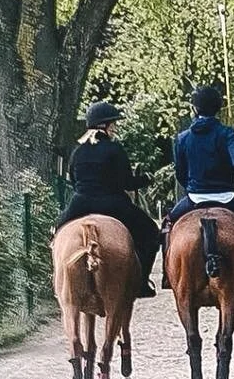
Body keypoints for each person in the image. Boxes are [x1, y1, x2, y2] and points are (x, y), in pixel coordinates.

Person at [53, 101, 161, 298]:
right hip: (112, 203)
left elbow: (73, 179)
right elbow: (126, 183)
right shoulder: (114, 149)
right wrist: (146, 179)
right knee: (151, 232)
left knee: (56, 233)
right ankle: (142, 282)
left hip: (80, 203)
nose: (115, 128)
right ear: (105, 126)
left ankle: (56, 278)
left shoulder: (78, 151)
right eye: (113, 124)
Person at [165, 85, 234, 289]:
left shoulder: (182, 138)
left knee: (168, 224)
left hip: (195, 197)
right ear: (218, 109)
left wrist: (192, 184)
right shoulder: (227, 134)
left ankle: (168, 275)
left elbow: (180, 172)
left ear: (195, 109)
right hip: (226, 197)